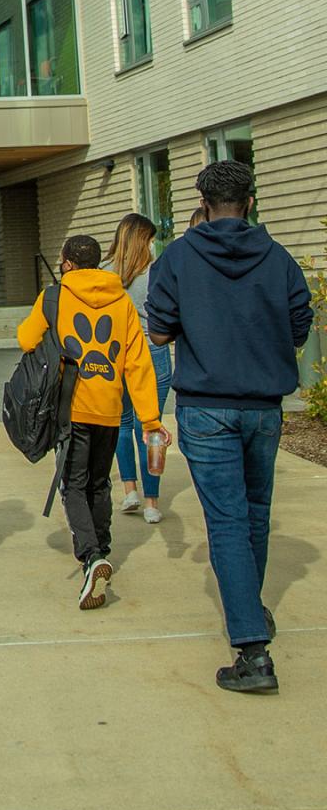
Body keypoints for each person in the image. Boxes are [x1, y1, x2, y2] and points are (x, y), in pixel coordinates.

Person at [146, 159, 314, 694]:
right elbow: (300, 321)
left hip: (206, 404)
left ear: (200, 200)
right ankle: (252, 613)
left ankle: (251, 650)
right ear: (251, 200)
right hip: (263, 405)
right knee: (255, 514)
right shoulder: (278, 257)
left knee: (226, 521)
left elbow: (160, 329)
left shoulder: (178, 258)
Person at [17, 234, 165, 610]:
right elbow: (138, 362)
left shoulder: (54, 297)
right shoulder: (122, 301)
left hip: (71, 407)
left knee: (73, 484)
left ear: (66, 263)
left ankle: (91, 556)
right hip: (109, 408)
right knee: (100, 483)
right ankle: (102, 551)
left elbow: (25, 339)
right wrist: (150, 419)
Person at [108, 213, 172, 523]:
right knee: (150, 426)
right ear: (144, 240)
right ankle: (152, 502)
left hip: (117, 354)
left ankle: (129, 490)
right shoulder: (157, 271)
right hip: (152, 351)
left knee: (121, 423)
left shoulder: (105, 273)